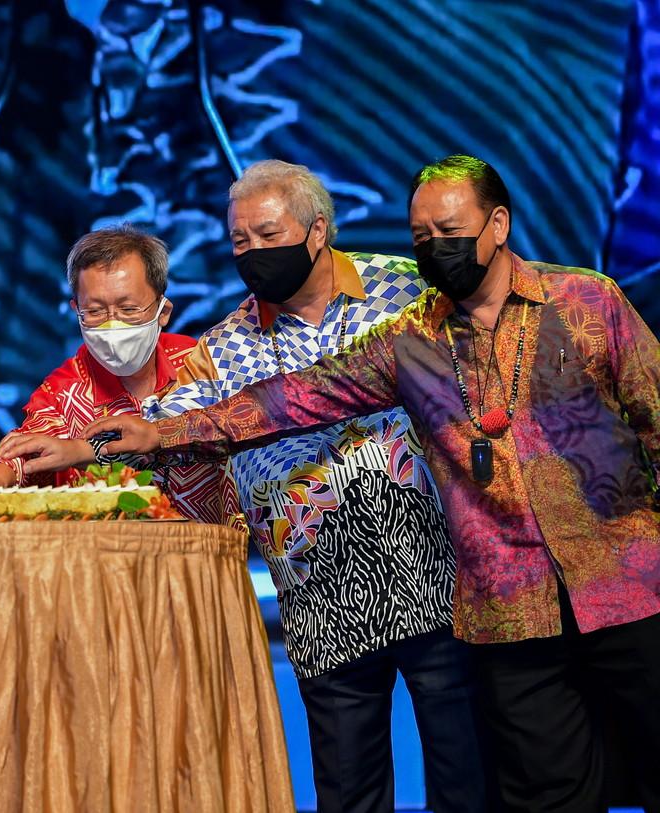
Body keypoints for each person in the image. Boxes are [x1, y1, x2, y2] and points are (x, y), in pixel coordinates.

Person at [77, 155, 660, 813]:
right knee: (527, 793)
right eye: (420, 236)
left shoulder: (523, 299)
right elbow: (272, 404)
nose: (435, 246)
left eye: (449, 228)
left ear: (497, 224)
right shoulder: (371, 340)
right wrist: (129, 435)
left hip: (546, 588)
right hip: (426, 609)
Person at [0, 226, 210, 512]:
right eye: (95, 311)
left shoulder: (200, 364)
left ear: (163, 311)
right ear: (76, 310)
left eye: (129, 309)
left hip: (209, 547)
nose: (113, 323)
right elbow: (29, 448)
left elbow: (233, 426)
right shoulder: (63, 392)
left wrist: (85, 451)